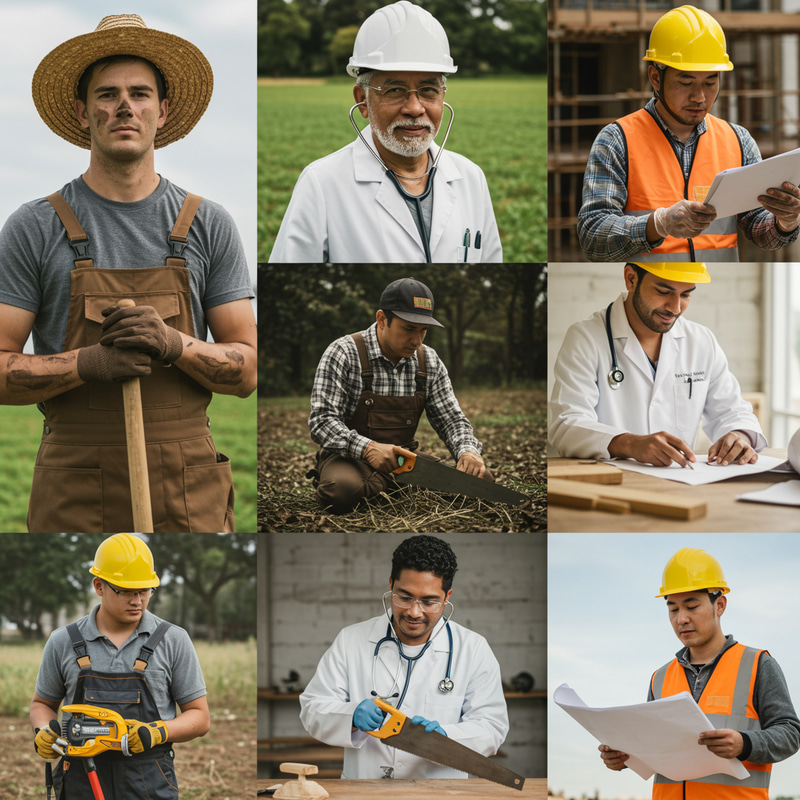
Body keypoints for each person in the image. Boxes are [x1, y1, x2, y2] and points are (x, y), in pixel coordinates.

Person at [0, 15, 257, 533]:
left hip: (186, 480)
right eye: (107, 93)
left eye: (140, 93)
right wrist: (88, 362)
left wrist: (173, 345)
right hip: (73, 479)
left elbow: (247, 371)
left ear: (162, 112)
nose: (124, 106)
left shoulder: (208, 224)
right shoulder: (35, 225)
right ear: (82, 111)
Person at [269, 0, 502, 263]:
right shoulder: (321, 184)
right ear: (362, 101)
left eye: (428, 90)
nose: (415, 108)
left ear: (443, 95)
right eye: (394, 90)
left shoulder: (471, 178)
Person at [577, 4, 800, 262]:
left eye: (710, 82)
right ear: (655, 77)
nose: (700, 97)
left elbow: (758, 229)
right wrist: (657, 224)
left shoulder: (738, 141)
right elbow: (592, 237)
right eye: (686, 82)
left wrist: (785, 220)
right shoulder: (617, 141)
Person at [299, 535, 509, 779]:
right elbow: (312, 709)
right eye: (404, 597)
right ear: (391, 585)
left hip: (440, 794)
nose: (414, 611)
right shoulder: (351, 640)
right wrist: (351, 716)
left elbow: (492, 728)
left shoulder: (473, 649)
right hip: (365, 792)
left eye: (429, 601)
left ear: (447, 597)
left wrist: (447, 737)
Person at [598, 547, 800, 798]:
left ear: (720, 605)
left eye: (691, 606)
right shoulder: (659, 678)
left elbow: (790, 733)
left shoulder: (758, 665)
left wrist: (744, 744)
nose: (681, 618)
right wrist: (624, 758)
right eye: (673, 609)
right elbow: (654, 749)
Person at [31, 533, 209, 800]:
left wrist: (158, 731)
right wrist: (44, 732)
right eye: (125, 591)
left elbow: (200, 717)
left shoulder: (174, 639)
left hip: (149, 779)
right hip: (82, 776)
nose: (137, 600)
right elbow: (41, 704)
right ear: (99, 586)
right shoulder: (63, 640)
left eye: (144, 590)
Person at [549, 262, 766, 466]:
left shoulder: (701, 340)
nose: (675, 307)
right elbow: (565, 424)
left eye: (686, 294)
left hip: (681, 484)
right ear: (631, 279)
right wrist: (629, 444)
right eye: (663, 292)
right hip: (612, 484)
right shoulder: (585, 337)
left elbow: (732, 411)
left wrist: (740, 435)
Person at [307, 276, 492, 514]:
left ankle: (387, 485)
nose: (416, 340)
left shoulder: (429, 360)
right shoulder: (343, 352)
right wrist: (368, 448)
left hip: (404, 462)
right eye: (408, 329)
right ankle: (396, 486)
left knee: (482, 481)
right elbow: (321, 422)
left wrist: (467, 450)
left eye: (423, 331)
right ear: (382, 319)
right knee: (339, 492)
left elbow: (451, 419)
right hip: (350, 458)